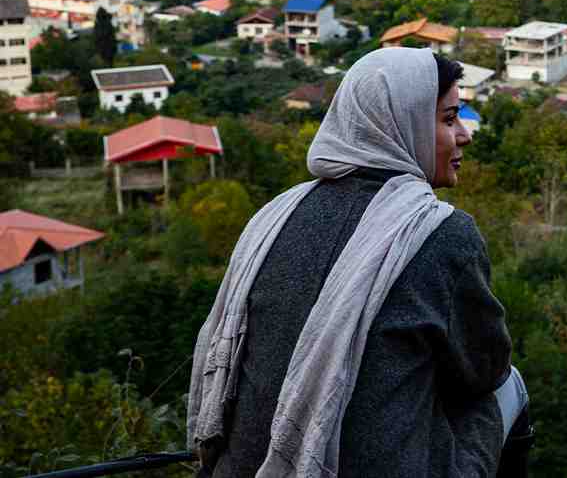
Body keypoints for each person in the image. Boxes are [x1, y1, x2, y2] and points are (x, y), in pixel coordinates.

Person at [187, 47, 531, 478]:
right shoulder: (440, 234)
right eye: (448, 119)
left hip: (242, 467)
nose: (464, 135)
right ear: (402, 127)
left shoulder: (276, 214)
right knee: (509, 385)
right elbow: (485, 368)